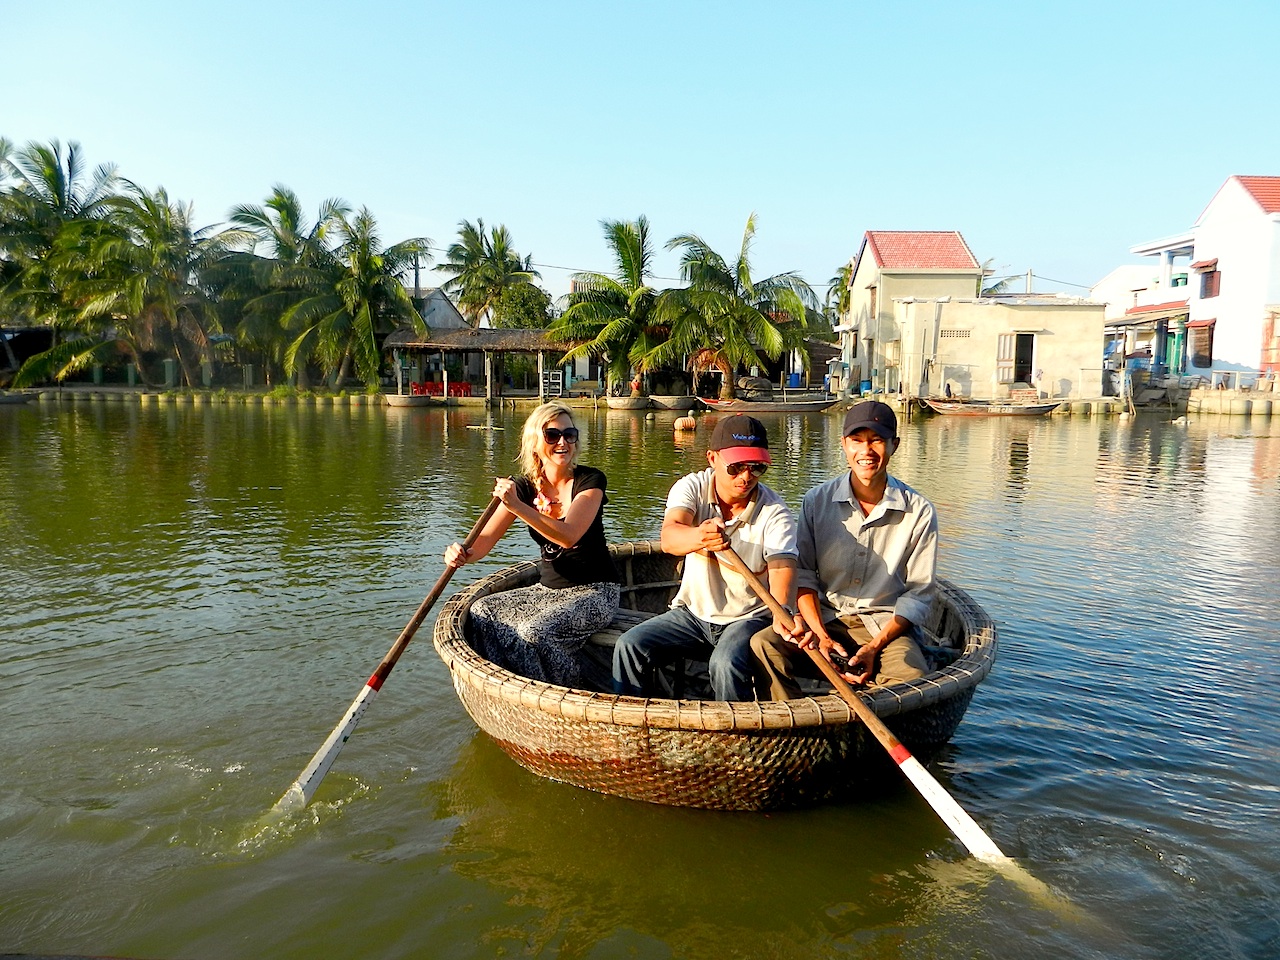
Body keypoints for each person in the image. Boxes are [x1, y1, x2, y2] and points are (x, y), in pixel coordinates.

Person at [750, 400, 935, 700]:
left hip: (885, 627)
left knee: (913, 681)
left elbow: (918, 594)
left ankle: (871, 711)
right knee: (764, 644)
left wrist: (873, 648)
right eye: (857, 441)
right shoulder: (816, 501)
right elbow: (805, 576)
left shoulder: (919, 511)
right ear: (844, 445)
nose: (866, 451)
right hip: (826, 619)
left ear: (894, 445)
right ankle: (796, 726)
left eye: (876, 440)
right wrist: (821, 638)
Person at [612, 415, 801, 701]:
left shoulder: (775, 513)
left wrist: (783, 610)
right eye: (736, 467)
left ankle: (734, 738)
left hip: (747, 618)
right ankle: (632, 726)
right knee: (629, 645)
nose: (746, 477)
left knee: (724, 664)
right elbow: (670, 538)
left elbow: (782, 568)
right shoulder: (691, 487)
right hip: (692, 615)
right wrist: (701, 536)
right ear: (712, 458)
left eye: (756, 467)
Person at [444, 401, 621, 686]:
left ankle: (573, 686)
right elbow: (484, 542)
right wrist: (460, 553)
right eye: (552, 435)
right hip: (548, 590)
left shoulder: (590, 480)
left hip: (596, 592)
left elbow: (569, 534)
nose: (563, 442)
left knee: (534, 631)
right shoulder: (524, 488)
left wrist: (517, 506)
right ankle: (512, 685)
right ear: (536, 443)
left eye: (570, 434)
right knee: (481, 612)